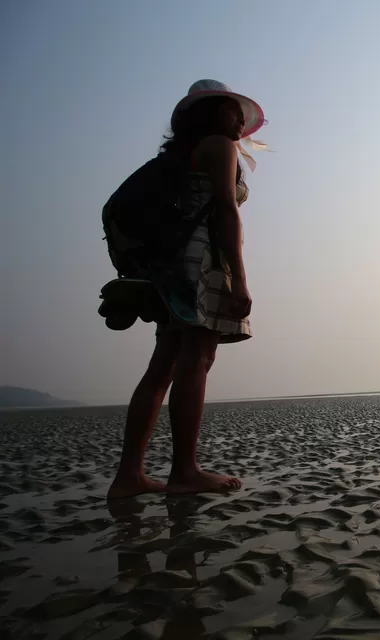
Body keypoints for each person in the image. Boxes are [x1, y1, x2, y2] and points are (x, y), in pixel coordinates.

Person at [107, 80, 267, 499]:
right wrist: (239, 276)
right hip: (201, 262)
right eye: (232, 110)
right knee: (197, 357)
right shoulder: (219, 146)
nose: (238, 119)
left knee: (164, 367)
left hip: (171, 267)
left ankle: (130, 475)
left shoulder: (181, 156)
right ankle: (185, 470)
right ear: (213, 113)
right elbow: (226, 213)